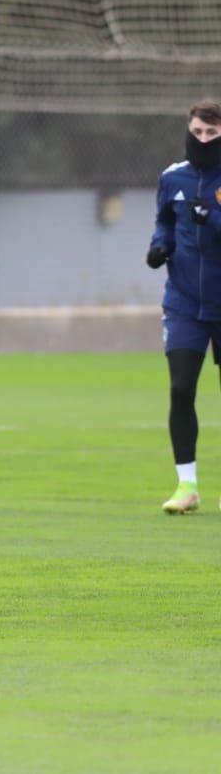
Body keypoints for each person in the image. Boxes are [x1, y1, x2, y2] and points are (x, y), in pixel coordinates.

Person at [146, 99, 221, 514]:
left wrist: (210, 216)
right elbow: (165, 220)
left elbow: (204, 218)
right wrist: (160, 245)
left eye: (211, 134)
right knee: (180, 388)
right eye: (197, 132)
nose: (203, 140)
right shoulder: (172, 177)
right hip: (183, 304)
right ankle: (186, 485)